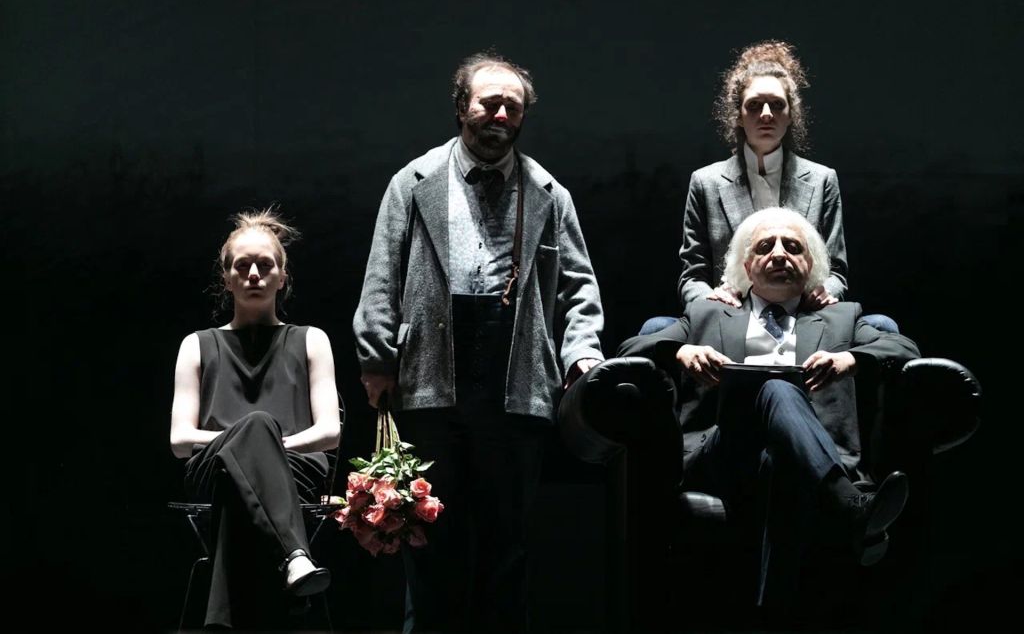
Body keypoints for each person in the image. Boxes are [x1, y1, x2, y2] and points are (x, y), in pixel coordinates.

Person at [353, 51, 605, 633]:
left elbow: (579, 289)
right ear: (461, 107)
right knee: (426, 537)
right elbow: (381, 277)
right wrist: (377, 357)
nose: (501, 115)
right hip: (429, 377)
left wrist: (582, 356)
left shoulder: (547, 192)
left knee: (507, 544)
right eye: (489, 103)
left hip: (515, 382)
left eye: (512, 107)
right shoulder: (414, 182)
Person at [617, 207, 919, 612]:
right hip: (721, 452)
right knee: (776, 388)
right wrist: (681, 351)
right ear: (747, 266)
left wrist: (852, 359)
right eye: (765, 247)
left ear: (810, 265)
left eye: (792, 247)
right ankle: (849, 504)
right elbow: (630, 348)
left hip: (804, 457)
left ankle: (770, 615)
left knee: (779, 458)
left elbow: (904, 348)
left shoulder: (842, 318)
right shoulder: (707, 313)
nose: (779, 254)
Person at [642, 41, 894, 334]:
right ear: (738, 115)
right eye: (754, 105)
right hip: (730, 319)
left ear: (791, 114)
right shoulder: (706, 182)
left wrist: (823, 292)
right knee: (655, 329)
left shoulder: (822, 179)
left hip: (803, 318)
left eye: (776, 104)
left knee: (882, 327)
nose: (765, 114)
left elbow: (836, 271)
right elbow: (692, 276)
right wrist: (713, 301)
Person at [169, 208, 341, 629]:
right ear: (226, 278)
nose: (253, 274)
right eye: (242, 265)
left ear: (283, 277)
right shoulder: (196, 345)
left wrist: (265, 447)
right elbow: (179, 440)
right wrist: (250, 439)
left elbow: (329, 432)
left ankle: (219, 624)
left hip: (294, 471)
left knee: (251, 448)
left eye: (265, 265)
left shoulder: (311, 340)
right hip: (213, 469)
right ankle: (295, 557)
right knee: (256, 427)